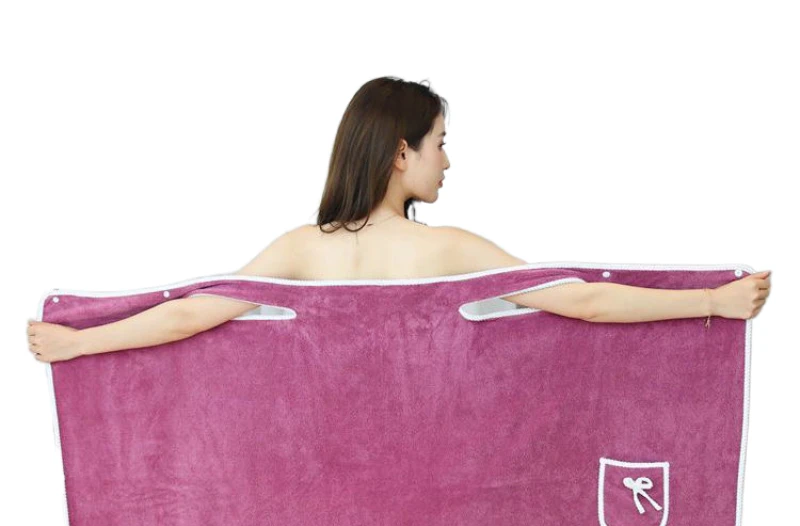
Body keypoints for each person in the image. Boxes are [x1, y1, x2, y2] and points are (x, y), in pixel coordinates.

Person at [27, 76, 771, 364]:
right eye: (440, 143)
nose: (449, 160)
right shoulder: (446, 249)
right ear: (399, 152)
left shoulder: (300, 250)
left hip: (319, 493)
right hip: (434, 493)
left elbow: (189, 316)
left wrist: (79, 343)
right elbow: (584, 301)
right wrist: (712, 301)